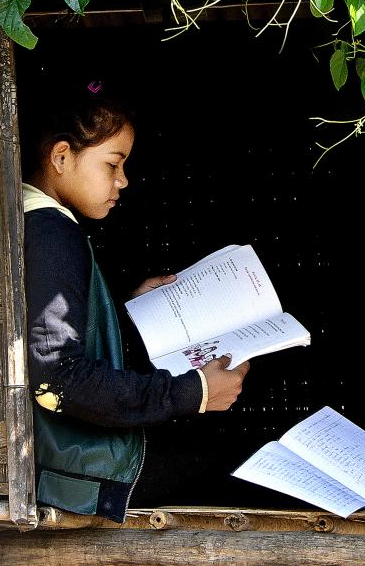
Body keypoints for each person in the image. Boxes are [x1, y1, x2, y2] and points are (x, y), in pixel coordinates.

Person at [21, 78, 249, 520]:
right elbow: (56, 379)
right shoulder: (53, 231)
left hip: (75, 465)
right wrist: (193, 392)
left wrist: (125, 312)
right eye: (113, 164)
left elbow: (59, 338)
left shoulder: (32, 219)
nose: (123, 180)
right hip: (85, 474)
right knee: (239, 464)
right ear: (62, 156)